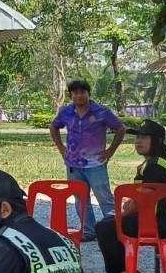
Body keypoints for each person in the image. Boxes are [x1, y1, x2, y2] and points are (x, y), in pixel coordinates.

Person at [95, 118, 166, 273]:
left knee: (105, 227)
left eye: (144, 138)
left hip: (159, 224)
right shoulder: (161, 163)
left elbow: (139, 203)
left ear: (157, 141)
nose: (138, 141)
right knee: (111, 224)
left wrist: (125, 211)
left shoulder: (154, 167)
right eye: (137, 137)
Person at [49, 80, 124, 241]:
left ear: (88, 94)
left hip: (96, 163)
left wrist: (110, 151)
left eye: (82, 92)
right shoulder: (66, 112)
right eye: (75, 93)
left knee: (104, 198)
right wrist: (61, 147)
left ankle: (115, 230)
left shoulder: (101, 111)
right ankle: (89, 231)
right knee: (80, 199)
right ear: (71, 95)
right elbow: (53, 127)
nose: (79, 96)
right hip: (73, 164)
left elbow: (120, 128)